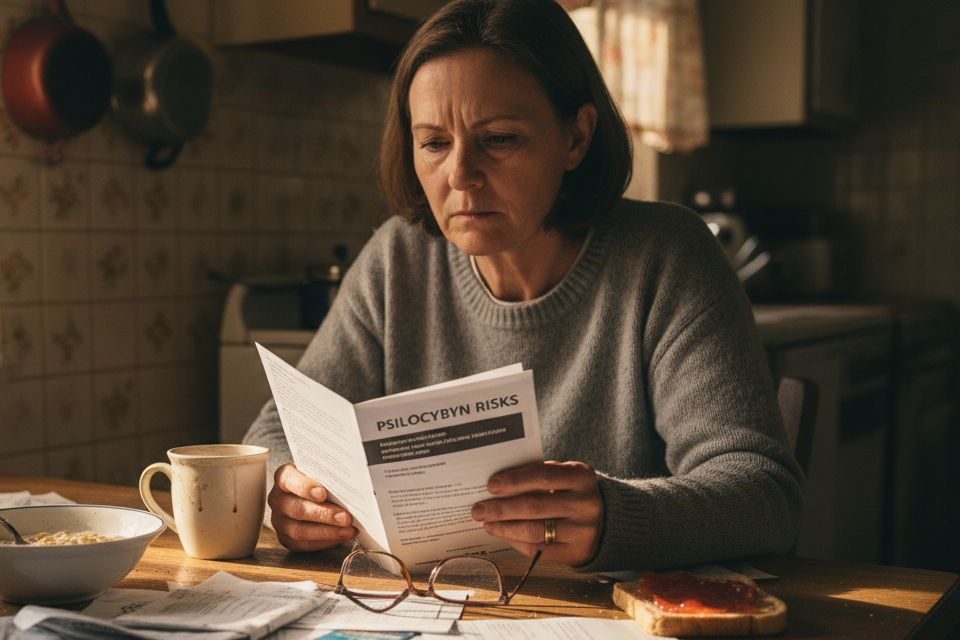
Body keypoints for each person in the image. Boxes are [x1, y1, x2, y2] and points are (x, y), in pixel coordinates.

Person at [243, 0, 803, 571]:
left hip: (616, 626)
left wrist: (615, 516)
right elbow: (273, 436)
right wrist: (287, 490)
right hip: (431, 614)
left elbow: (766, 496)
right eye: (434, 143)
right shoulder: (398, 257)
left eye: (499, 139)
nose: (460, 175)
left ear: (576, 138)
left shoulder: (666, 256)